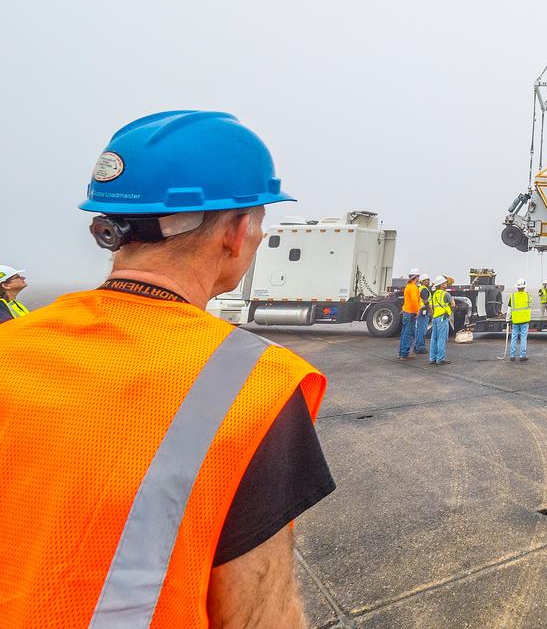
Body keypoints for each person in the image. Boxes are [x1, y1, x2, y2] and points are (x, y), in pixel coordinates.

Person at [0, 110, 332, 629]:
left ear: (111, 228)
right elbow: (258, 617)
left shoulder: (10, 345)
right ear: (238, 231)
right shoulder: (253, 384)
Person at [399, 269, 424, 359]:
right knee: (408, 333)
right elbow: (414, 300)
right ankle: (405, 353)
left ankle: (402, 352)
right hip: (411, 312)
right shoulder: (413, 287)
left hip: (407, 311)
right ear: (416, 277)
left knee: (404, 333)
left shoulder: (408, 286)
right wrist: (417, 311)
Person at [428, 274, 452, 364]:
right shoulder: (446, 294)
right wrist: (449, 310)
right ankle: (440, 358)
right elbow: (453, 304)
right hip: (443, 318)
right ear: (441, 285)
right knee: (442, 338)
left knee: (434, 338)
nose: (446, 284)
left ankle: (432, 358)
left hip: (435, 318)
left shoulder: (434, 295)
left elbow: (433, 307)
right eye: (445, 283)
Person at [507, 278, 532, 361]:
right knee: (523, 338)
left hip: (515, 320)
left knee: (514, 337)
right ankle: (522, 356)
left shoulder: (513, 296)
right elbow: (530, 303)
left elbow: (509, 308)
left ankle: (512, 355)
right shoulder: (528, 295)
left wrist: (507, 318)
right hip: (525, 320)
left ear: (517, 287)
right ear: (524, 287)